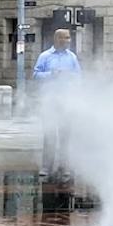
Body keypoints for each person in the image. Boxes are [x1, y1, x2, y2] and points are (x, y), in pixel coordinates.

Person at [33, 28, 81, 180]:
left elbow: (79, 76)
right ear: (57, 39)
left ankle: (65, 167)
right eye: (65, 38)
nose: (68, 40)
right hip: (50, 101)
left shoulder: (72, 57)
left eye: (69, 38)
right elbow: (36, 74)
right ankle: (46, 167)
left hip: (66, 101)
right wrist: (51, 74)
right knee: (49, 135)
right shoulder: (45, 56)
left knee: (65, 136)